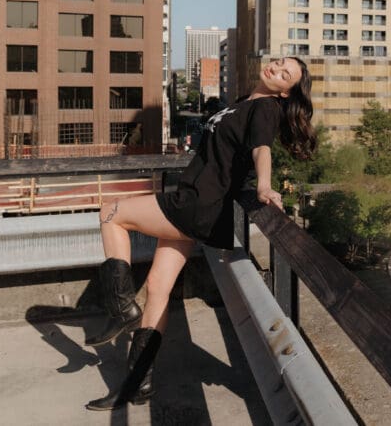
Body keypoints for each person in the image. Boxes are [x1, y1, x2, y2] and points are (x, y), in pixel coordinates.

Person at [83, 57, 316, 411]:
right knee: (158, 291)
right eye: (279, 63)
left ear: (286, 91)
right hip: (199, 204)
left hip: (195, 203)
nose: (276, 70)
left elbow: (262, 149)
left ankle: (119, 307)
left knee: (112, 213)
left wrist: (265, 186)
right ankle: (137, 383)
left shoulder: (267, 108)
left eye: (285, 75)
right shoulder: (244, 103)